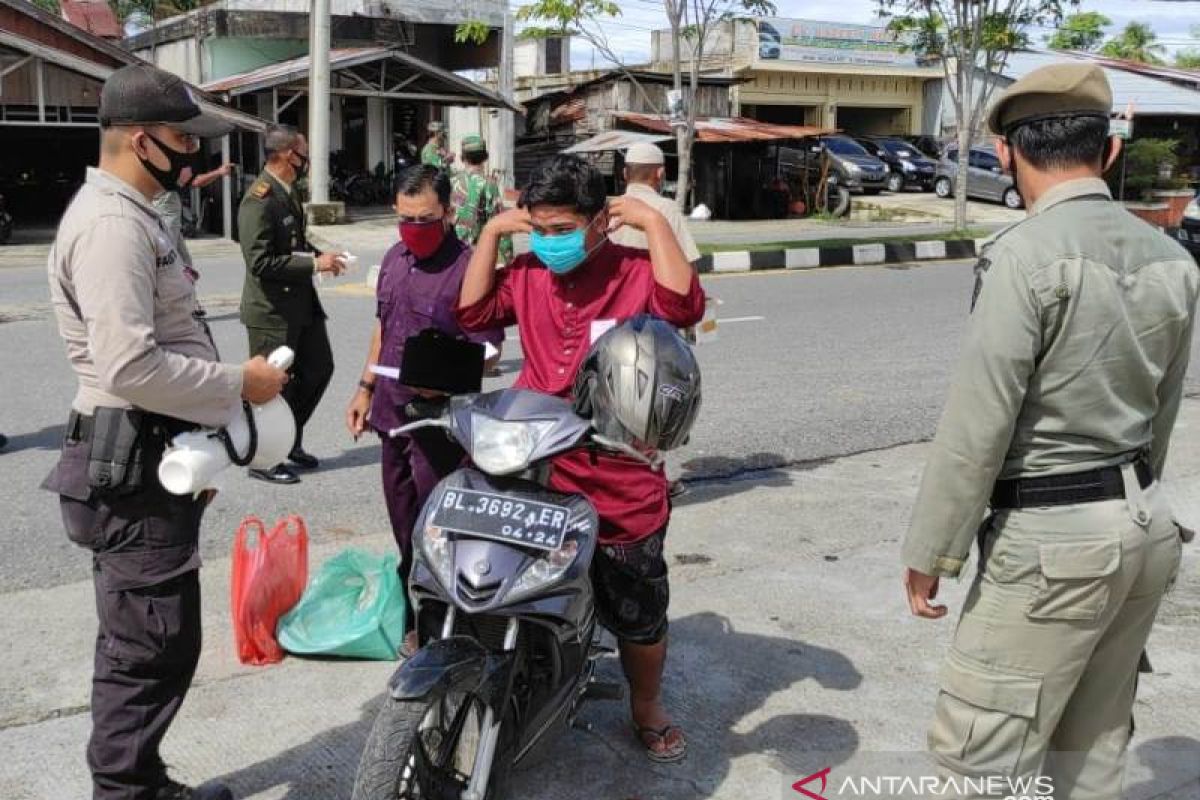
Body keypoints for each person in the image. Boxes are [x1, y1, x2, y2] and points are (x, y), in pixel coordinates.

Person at [902, 63, 1195, 799]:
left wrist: (932, 549)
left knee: (981, 760)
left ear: (1004, 152)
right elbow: (1162, 413)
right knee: (1091, 748)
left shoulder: (1022, 256)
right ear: (1111, 152)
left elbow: (980, 420)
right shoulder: (1172, 258)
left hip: (1052, 547)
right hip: (1144, 525)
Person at [41, 63, 289, 800]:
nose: (194, 155)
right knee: (146, 648)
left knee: (151, 639)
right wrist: (237, 387)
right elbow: (128, 365)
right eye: (183, 139)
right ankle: (126, 790)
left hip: (152, 456)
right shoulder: (115, 225)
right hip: (131, 456)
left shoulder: (135, 213)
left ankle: (139, 781)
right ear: (141, 140)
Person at [457, 155, 705, 763]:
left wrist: (654, 224)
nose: (549, 242)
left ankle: (645, 702)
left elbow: (684, 309)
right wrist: (491, 233)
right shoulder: (529, 274)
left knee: (637, 604)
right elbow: (472, 314)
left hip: (620, 470)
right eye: (538, 229)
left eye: (561, 229)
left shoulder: (638, 270)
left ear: (600, 222)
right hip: (539, 463)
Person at [345, 165, 503, 654]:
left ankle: (442, 627)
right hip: (391, 416)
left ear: (449, 213)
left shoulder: (468, 266)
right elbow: (382, 328)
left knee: (437, 531)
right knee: (403, 525)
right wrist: (364, 387)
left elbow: (489, 349)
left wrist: (442, 380)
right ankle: (415, 614)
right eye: (405, 218)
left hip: (440, 424)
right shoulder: (394, 259)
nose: (415, 229)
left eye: (425, 219)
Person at [237, 124, 345, 485]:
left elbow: (294, 244)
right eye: (303, 153)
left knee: (319, 369)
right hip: (272, 311)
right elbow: (260, 262)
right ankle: (264, 458)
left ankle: (289, 439)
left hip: (301, 304)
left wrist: (322, 256)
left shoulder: (287, 192)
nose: (307, 161)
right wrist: (314, 264)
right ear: (287, 155)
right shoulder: (259, 198)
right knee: (273, 387)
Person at [609, 142, 700, 265]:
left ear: (625, 173)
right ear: (660, 173)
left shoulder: (611, 207)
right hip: (652, 283)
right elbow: (688, 260)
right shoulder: (666, 208)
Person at [152, 160, 235, 283]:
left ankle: (186, 294)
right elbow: (196, 181)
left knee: (185, 262)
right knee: (169, 262)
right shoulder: (166, 164)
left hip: (169, 216)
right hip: (167, 216)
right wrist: (219, 172)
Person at [450, 134, 512, 264]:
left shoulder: (451, 182)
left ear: (462, 158)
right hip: (477, 255)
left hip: (453, 254)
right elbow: (498, 222)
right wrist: (507, 259)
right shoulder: (489, 184)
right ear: (486, 157)